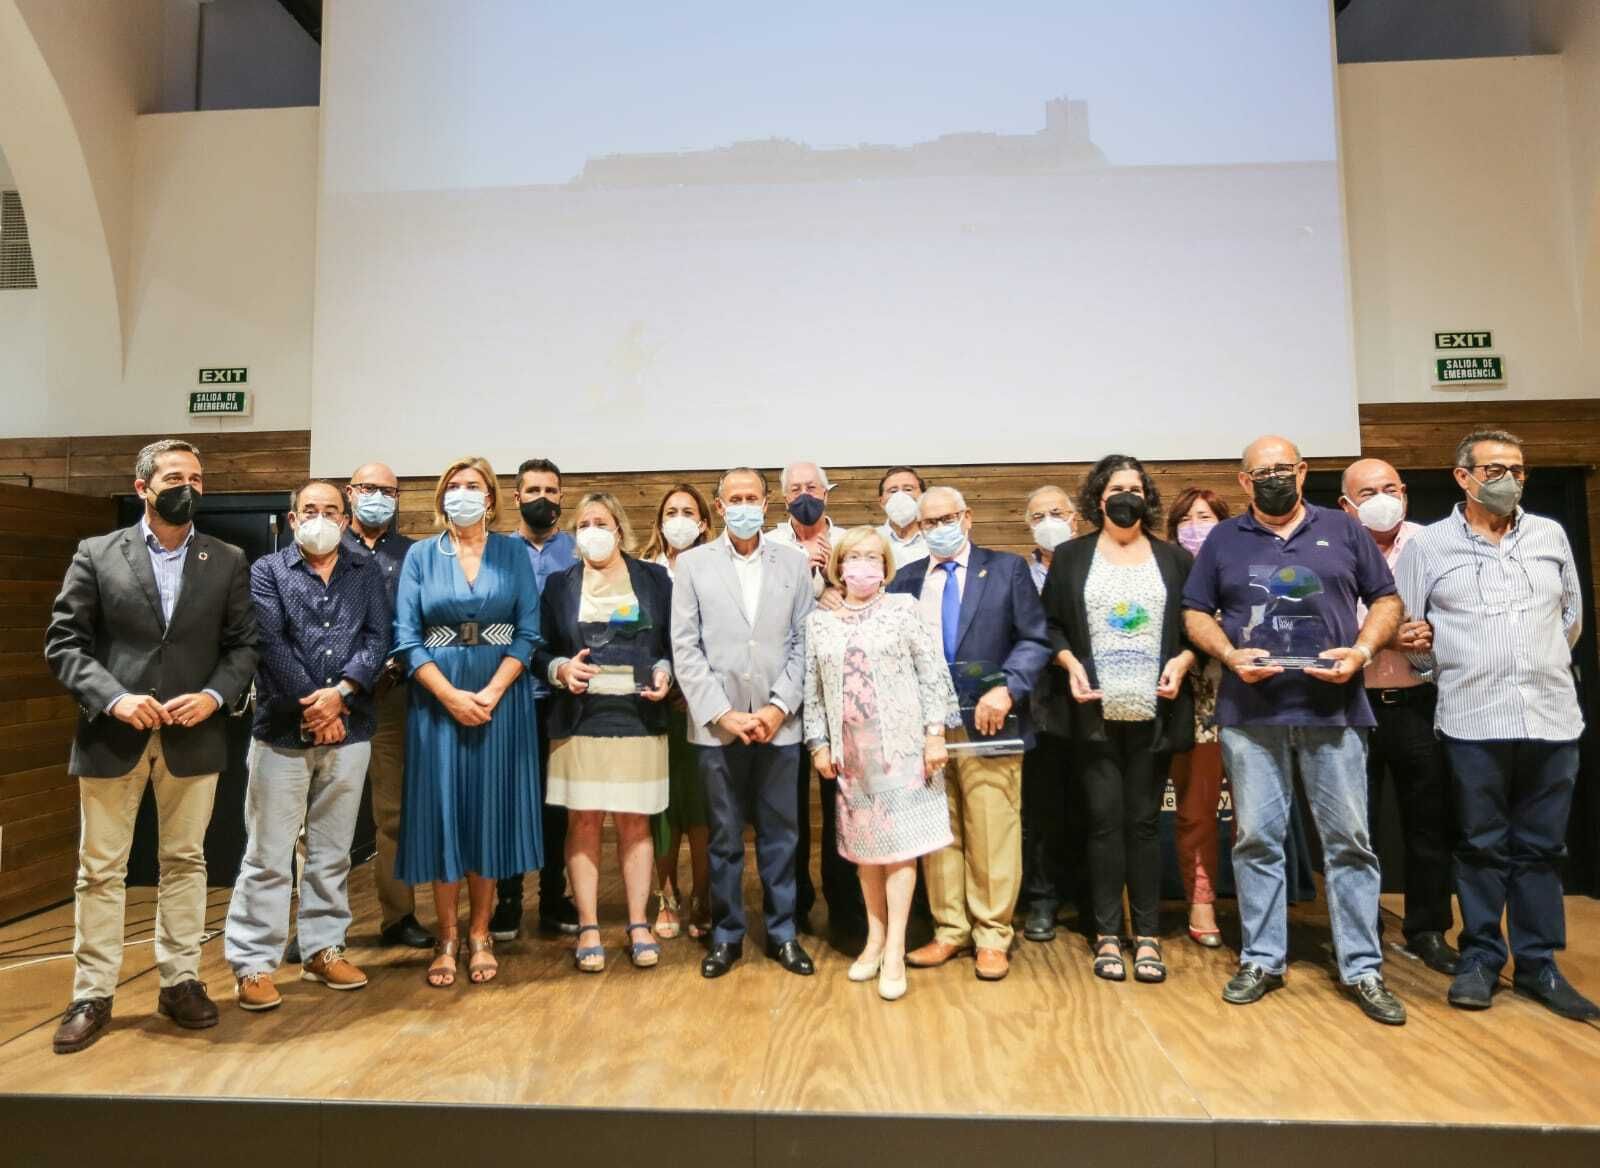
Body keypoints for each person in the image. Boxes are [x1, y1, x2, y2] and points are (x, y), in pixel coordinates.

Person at [1182, 435, 1407, 1025]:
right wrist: (1229, 655)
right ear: (1243, 481)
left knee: (1350, 844)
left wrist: (1361, 651)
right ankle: (1262, 959)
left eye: (1283, 468)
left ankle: (1363, 967)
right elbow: (1194, 611)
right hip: (1252, 716)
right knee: (1256, 841)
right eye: (1262, 472)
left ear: (1303, 472)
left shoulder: (1344, 529)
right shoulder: (1224, 540)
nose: (1274, 478)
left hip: (1334, 714)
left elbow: (1386, 599)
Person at [44, 439, 258, 1054]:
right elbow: (65, 643)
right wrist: (115, 698)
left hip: (195, 737)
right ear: (143, 487)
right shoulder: (96, 554)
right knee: (101, 869)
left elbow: (243, 646)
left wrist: (215, 697)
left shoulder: (227, 559)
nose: (187, 485)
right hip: (114, 734)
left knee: (186, 863)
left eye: (195, 477)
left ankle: (180, 980)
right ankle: (92, 993)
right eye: (173, 476)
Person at [1395, 429, 1598, 1020]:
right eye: (1492, 469)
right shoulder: (1428, 546)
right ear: (1463, 477)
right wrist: (1454, 660)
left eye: (1516, 468)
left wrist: (1529, 660)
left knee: (1543, 849)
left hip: (1552, 716)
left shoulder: (1550, 536)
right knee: (1481, 845)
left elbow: (1572, 622)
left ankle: (1539, 965)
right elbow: (1412, 638)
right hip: (1472, 717)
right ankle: (1481, 957)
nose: (1506, 478)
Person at [224, 481, 389, 1011]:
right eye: (310, 510)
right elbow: (270, 644)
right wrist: (313, 707)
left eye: (331, 511)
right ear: (293, 520)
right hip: (280, 732)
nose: (321, 518)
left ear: (345, 520)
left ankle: (322, 948)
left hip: (350, 727)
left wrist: (340, 696)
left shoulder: (365, 572)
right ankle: (252, 963)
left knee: (331, 853)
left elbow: (376, 639)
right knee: (268, 853)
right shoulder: (266, 572)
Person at [1043, 458, 1196, 984]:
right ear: (1097, 498)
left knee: (1145, 823)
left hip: (1156, 710)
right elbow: (1051, 626)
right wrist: (1068, 664)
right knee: (1105, 823)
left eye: (1135, 488)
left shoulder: (1174, 559)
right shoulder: (1070, 557)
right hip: (1094, 713)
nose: (1126, 496)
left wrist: (1183, 661)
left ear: (1147, 497)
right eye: (1116, 488)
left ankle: (1148, 935)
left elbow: (1192, 628)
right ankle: (1108, 934)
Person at [393, 456, 542, 989]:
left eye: (471, 486)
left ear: (491, 498)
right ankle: (447, 935)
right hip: (439, 696)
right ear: (441, 498)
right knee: (444, 812)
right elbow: (407, 637)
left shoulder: (511, 552)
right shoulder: (419, 556)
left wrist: (493, 691)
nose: (462, 493)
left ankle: (480, 932)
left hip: (502, 694)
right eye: (452, 486)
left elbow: (528, 633)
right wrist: (451, 695)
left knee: (487, 812)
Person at [891, 487, 1050, 982]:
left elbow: (1034, 638)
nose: (938, 526)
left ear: (967, 517)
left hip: (990, 723)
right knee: (940, 833)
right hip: (928, 730)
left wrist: (1008, 688)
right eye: (928, 521)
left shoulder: (1005, 570)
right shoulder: (906, 580)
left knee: (992, 831)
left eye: (947, 517)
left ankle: (992, 934)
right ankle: (949, 929)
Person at [671, 467, 817, 979]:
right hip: (717, 726)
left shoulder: (795, 565)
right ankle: (727, 934)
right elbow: (685, 648)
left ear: (767, 502)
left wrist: (778, 708)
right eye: (734, 497)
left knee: (782, 835)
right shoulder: (692, 565)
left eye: (752, 496)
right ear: (718, 504)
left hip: (781, 725)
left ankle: (783, 933)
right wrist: (724, 713)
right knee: (725, 836)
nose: (744, 505)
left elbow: (805, 642)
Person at [804, 527, 956, 1000]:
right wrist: (818, 744)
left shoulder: (903, 611)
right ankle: (872, 939)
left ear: (886, 567)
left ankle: (894, 949)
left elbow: (932, 674)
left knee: (900, 850)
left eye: (873, 557)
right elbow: (813, 689)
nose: (863, 565)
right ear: (839, 565)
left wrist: (935, 734)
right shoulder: (820, 622)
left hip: (904, 750)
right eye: (854, 557)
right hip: (852, 756)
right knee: (865, 852)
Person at [536, 493, 674, 972]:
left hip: (639, 716)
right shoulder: (559, 585)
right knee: (584, 822)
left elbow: (670, 644)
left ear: (620, 527)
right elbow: (537, 648)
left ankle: (638, 921)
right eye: (584, 523)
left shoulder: (654, 579)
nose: (593, 529)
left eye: (602, 521)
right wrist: (557, 668)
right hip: (580, 720)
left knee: (635, 822)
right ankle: (590, 924)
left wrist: (664, 671)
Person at [1338, 458, 1459, 975]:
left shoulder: (1434, 544)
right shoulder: (1330, 547)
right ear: (1346, 504)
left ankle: (1428, 929)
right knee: (1354, 829)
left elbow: (1466, 617)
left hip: (1420, 703)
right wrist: (1387, 633)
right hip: (1352, 706)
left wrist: (1432, 635)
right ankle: (1361, 932)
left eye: (1390, 489)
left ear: (1406, 494)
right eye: (1368, 492)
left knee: (1429, 825)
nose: (1381, 498)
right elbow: (1315, 626)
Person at [767, 459, 863, 937]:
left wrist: (835, 583)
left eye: (813, 486)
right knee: (786, 805)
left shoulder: (849, 542)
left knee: (840, 797)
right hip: (782, 687)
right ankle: (792, 904)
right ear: (784, 497)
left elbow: (869, 598)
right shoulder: (768, 545)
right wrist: (800, 578)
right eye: (796, 488)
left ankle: (845, 906)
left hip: (838, 687)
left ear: (828, 491)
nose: (805, 493)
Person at [344, 461, 432, 950]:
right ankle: (320, 927)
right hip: (332, 700)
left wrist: (395, 669)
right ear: (350, 493)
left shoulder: (415, 554)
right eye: (368, 488)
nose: (377, 496)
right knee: (319, 820)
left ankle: (398, 916)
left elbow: (419, 621)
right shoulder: (326, 547)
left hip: (393, 697)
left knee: (394, 813)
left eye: (388, 490)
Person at [492, 458, 580, 941]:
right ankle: (508, 899)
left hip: (563, 693)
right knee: (510, 799)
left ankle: (553, 895)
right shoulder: (498, 551)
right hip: (509, 691)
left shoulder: (577, 549)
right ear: (517, 496)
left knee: (556, 802)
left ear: (561, 496)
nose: (542, 497)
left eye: (550, 489)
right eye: (532, 490)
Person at [639, 483, 715, 940]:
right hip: (653, 707)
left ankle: (705, 895)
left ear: (705, 521)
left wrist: (696, 689)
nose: (680, 519)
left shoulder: (718, 567)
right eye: (672, 511)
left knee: (703, 809)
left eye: (689, 511)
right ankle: (666, 895)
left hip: (705, 707)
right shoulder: (643, 572)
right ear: (660, 519)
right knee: (661, 809)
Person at [1165, 487, 1231, 947]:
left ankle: (1259, 904)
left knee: (1258, 817)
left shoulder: (1242, 564)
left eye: (1205, 517)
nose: (1195, 526)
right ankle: (1201, 900)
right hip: (1192, 710)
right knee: (1196, 812)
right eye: (1186, 519)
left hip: (1252, 707)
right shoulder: (1166, 571)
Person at [1018, 486, 1082, 942]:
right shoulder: (1017, 575)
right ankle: (1041, 899)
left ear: (1075, 517)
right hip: (1037, 707)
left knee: (1091, 807)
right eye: (1038, 515)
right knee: (1041, 808)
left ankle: (1088, 897)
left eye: (1056, 513)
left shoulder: (1095, 564)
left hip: (1092, 701)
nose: (1048, 522)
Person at [877, 466, 929, 571]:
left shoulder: (937, 540)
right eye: (893, 491)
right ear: (881, 502)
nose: (900, 495)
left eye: (908, 489)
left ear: (923, 497)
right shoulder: (869, 539)